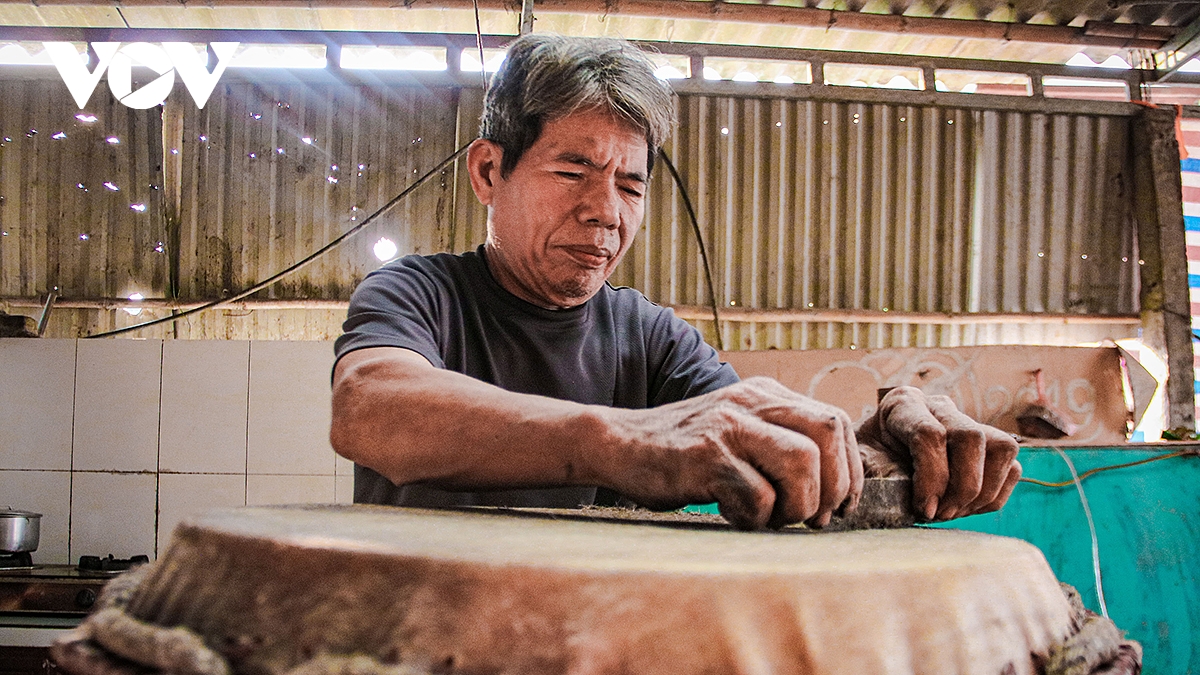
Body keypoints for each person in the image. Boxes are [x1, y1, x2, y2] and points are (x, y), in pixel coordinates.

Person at [330, 34, 1021, 531]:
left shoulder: (653, 339)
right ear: (488, 172)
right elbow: (371, 408)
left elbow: (772, 449)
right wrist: (623, 443)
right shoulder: (417, 293)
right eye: (573, 171)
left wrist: (884, 434)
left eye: (630, 184)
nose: (605, 210)